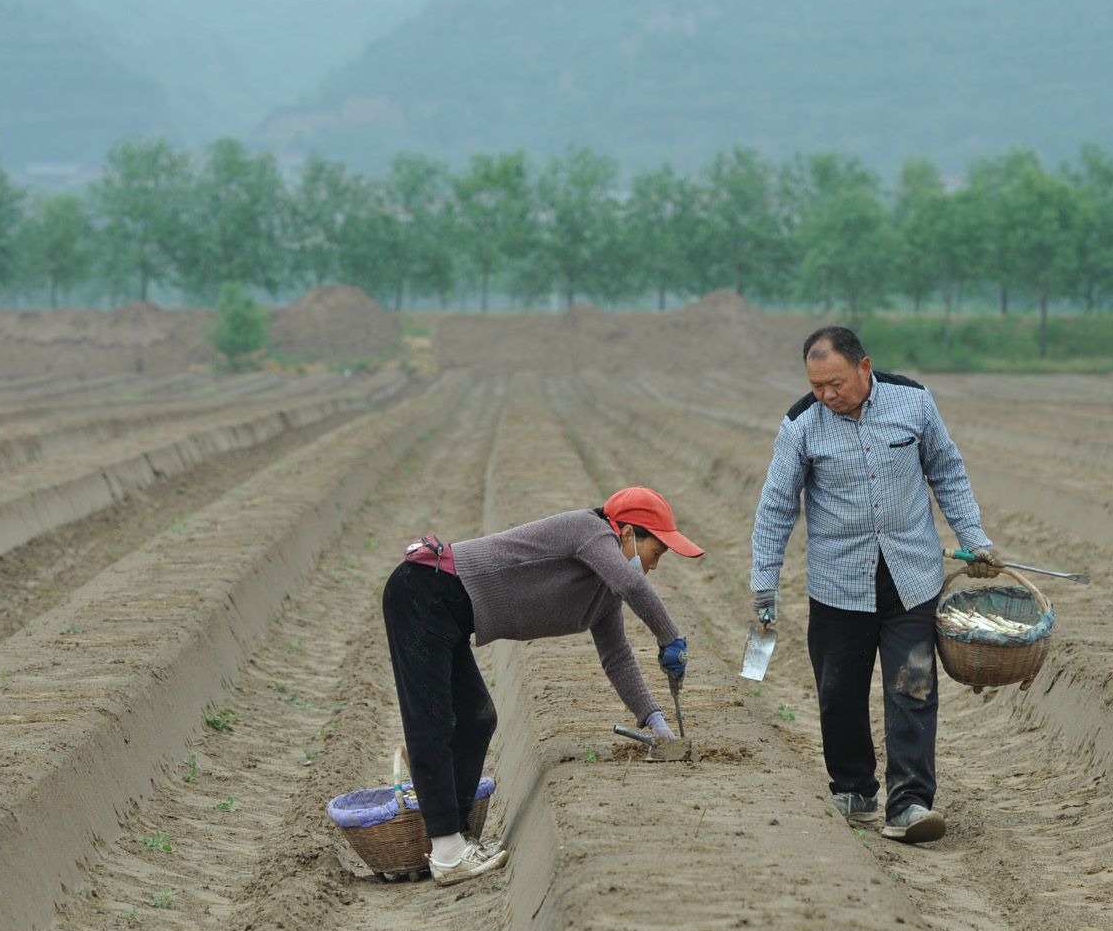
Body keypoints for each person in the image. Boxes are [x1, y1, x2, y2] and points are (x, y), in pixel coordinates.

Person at [750, 326, 1002, 844]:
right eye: (816, 385)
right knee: (838, 693)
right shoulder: (801, 426)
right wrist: (763, 583)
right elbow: (777, 507)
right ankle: (853, 788)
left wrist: (975, 538)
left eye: (835, 383)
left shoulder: (913, 402)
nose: (826, 395)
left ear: (864, 368)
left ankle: (909, 803)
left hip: (911, 576)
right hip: (838, 583)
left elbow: (947, 471)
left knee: (913, 688)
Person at [384, 486, 702, 885]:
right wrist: (670, 637)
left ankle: (459, 838)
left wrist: (657, 723)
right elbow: (633, 586)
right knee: (431, 721)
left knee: (477, 718)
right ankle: (447, 852)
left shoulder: (603, 591)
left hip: (447, 612)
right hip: (424, 592)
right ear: (625, 534)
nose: (655, 566)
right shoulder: (590, 531)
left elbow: (617, 657)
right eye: (657, 553)